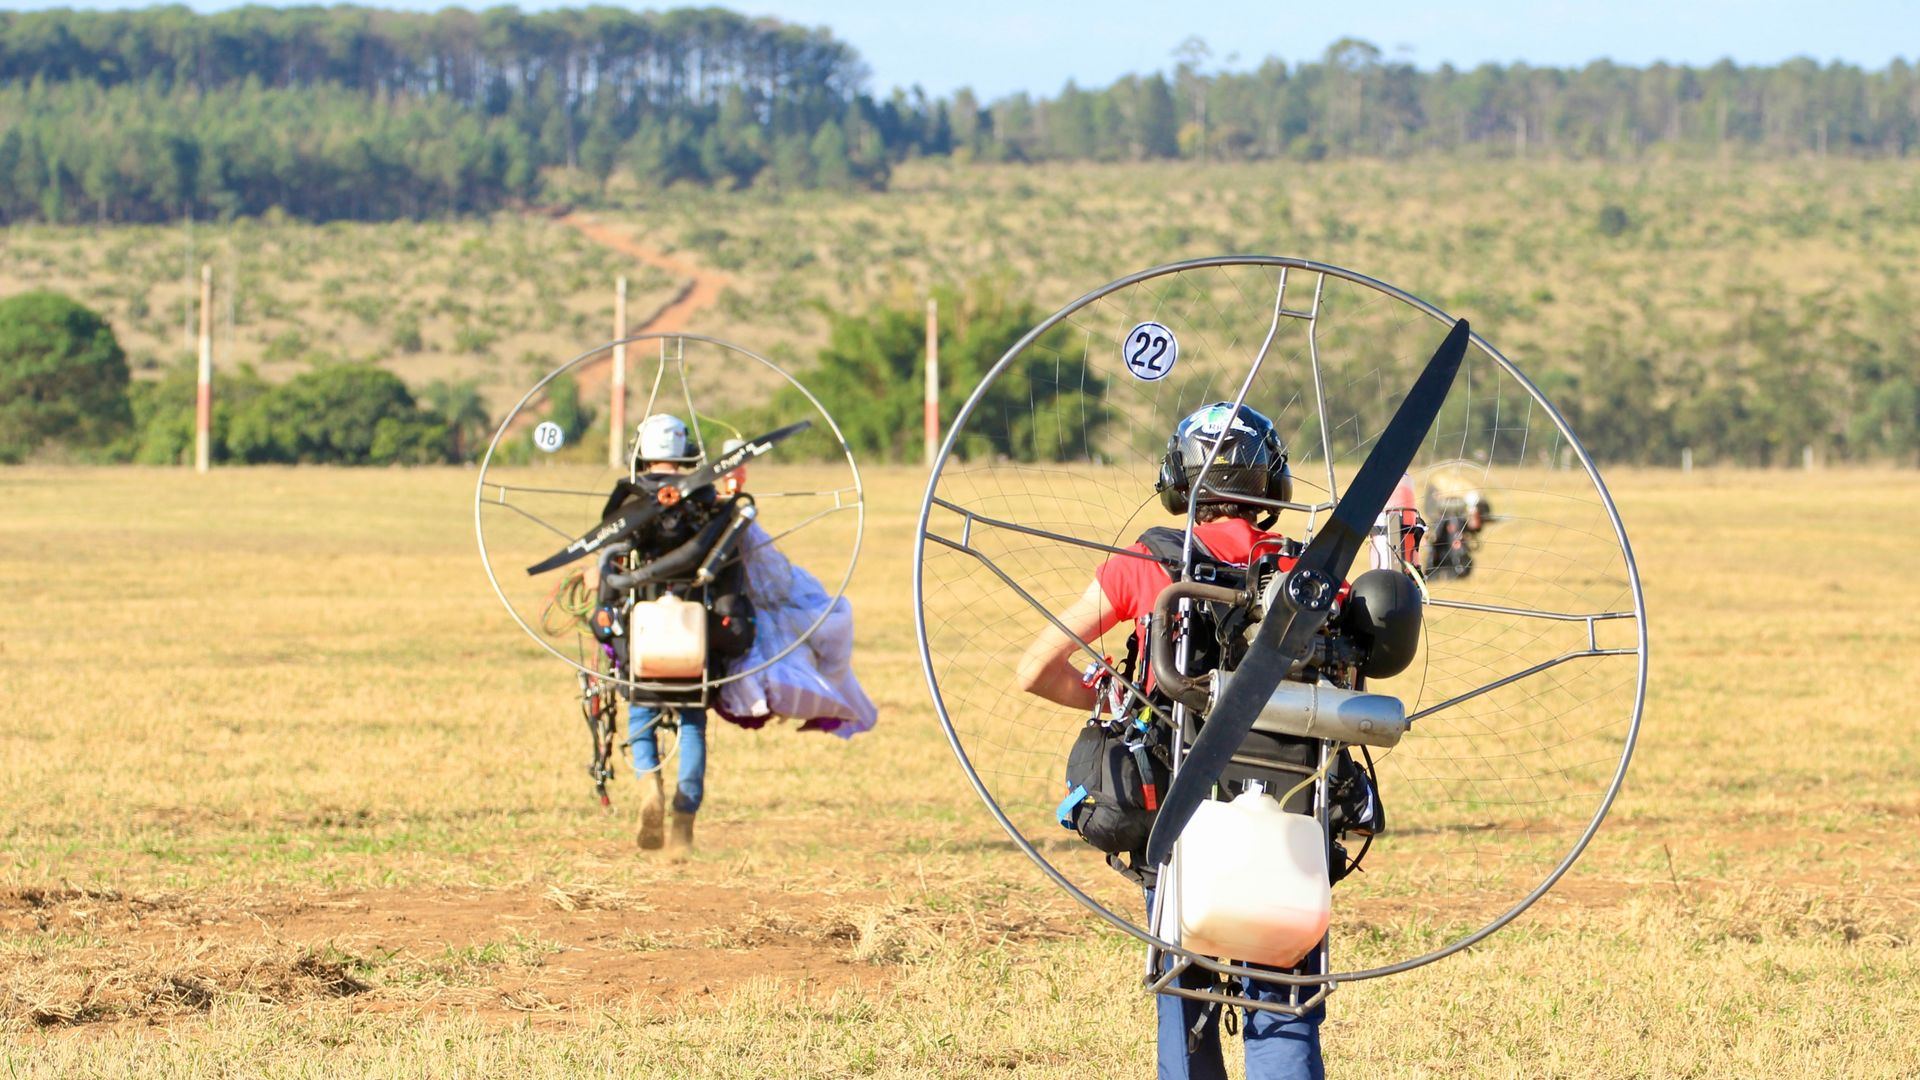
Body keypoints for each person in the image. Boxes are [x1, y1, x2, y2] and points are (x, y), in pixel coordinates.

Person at [1015, 401, 1327, 1080]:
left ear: (1180, 477)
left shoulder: (1147, 562)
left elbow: (1034, 670)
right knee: (1283, 1011)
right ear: (1269, 482)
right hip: (1290, 822)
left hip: (1180, 827)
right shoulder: (1310, 572)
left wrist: (1116, 697)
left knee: (1185, 1008)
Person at [601, 413, 738, 856]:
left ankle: (649, 791)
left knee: (642, 717)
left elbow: (612, 561)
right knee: (693, 723)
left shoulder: (630, 496)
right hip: (693, 631)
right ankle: (685, 814)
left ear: (643, 451)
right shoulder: (705, 496)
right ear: (686, 452)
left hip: (644, 629)